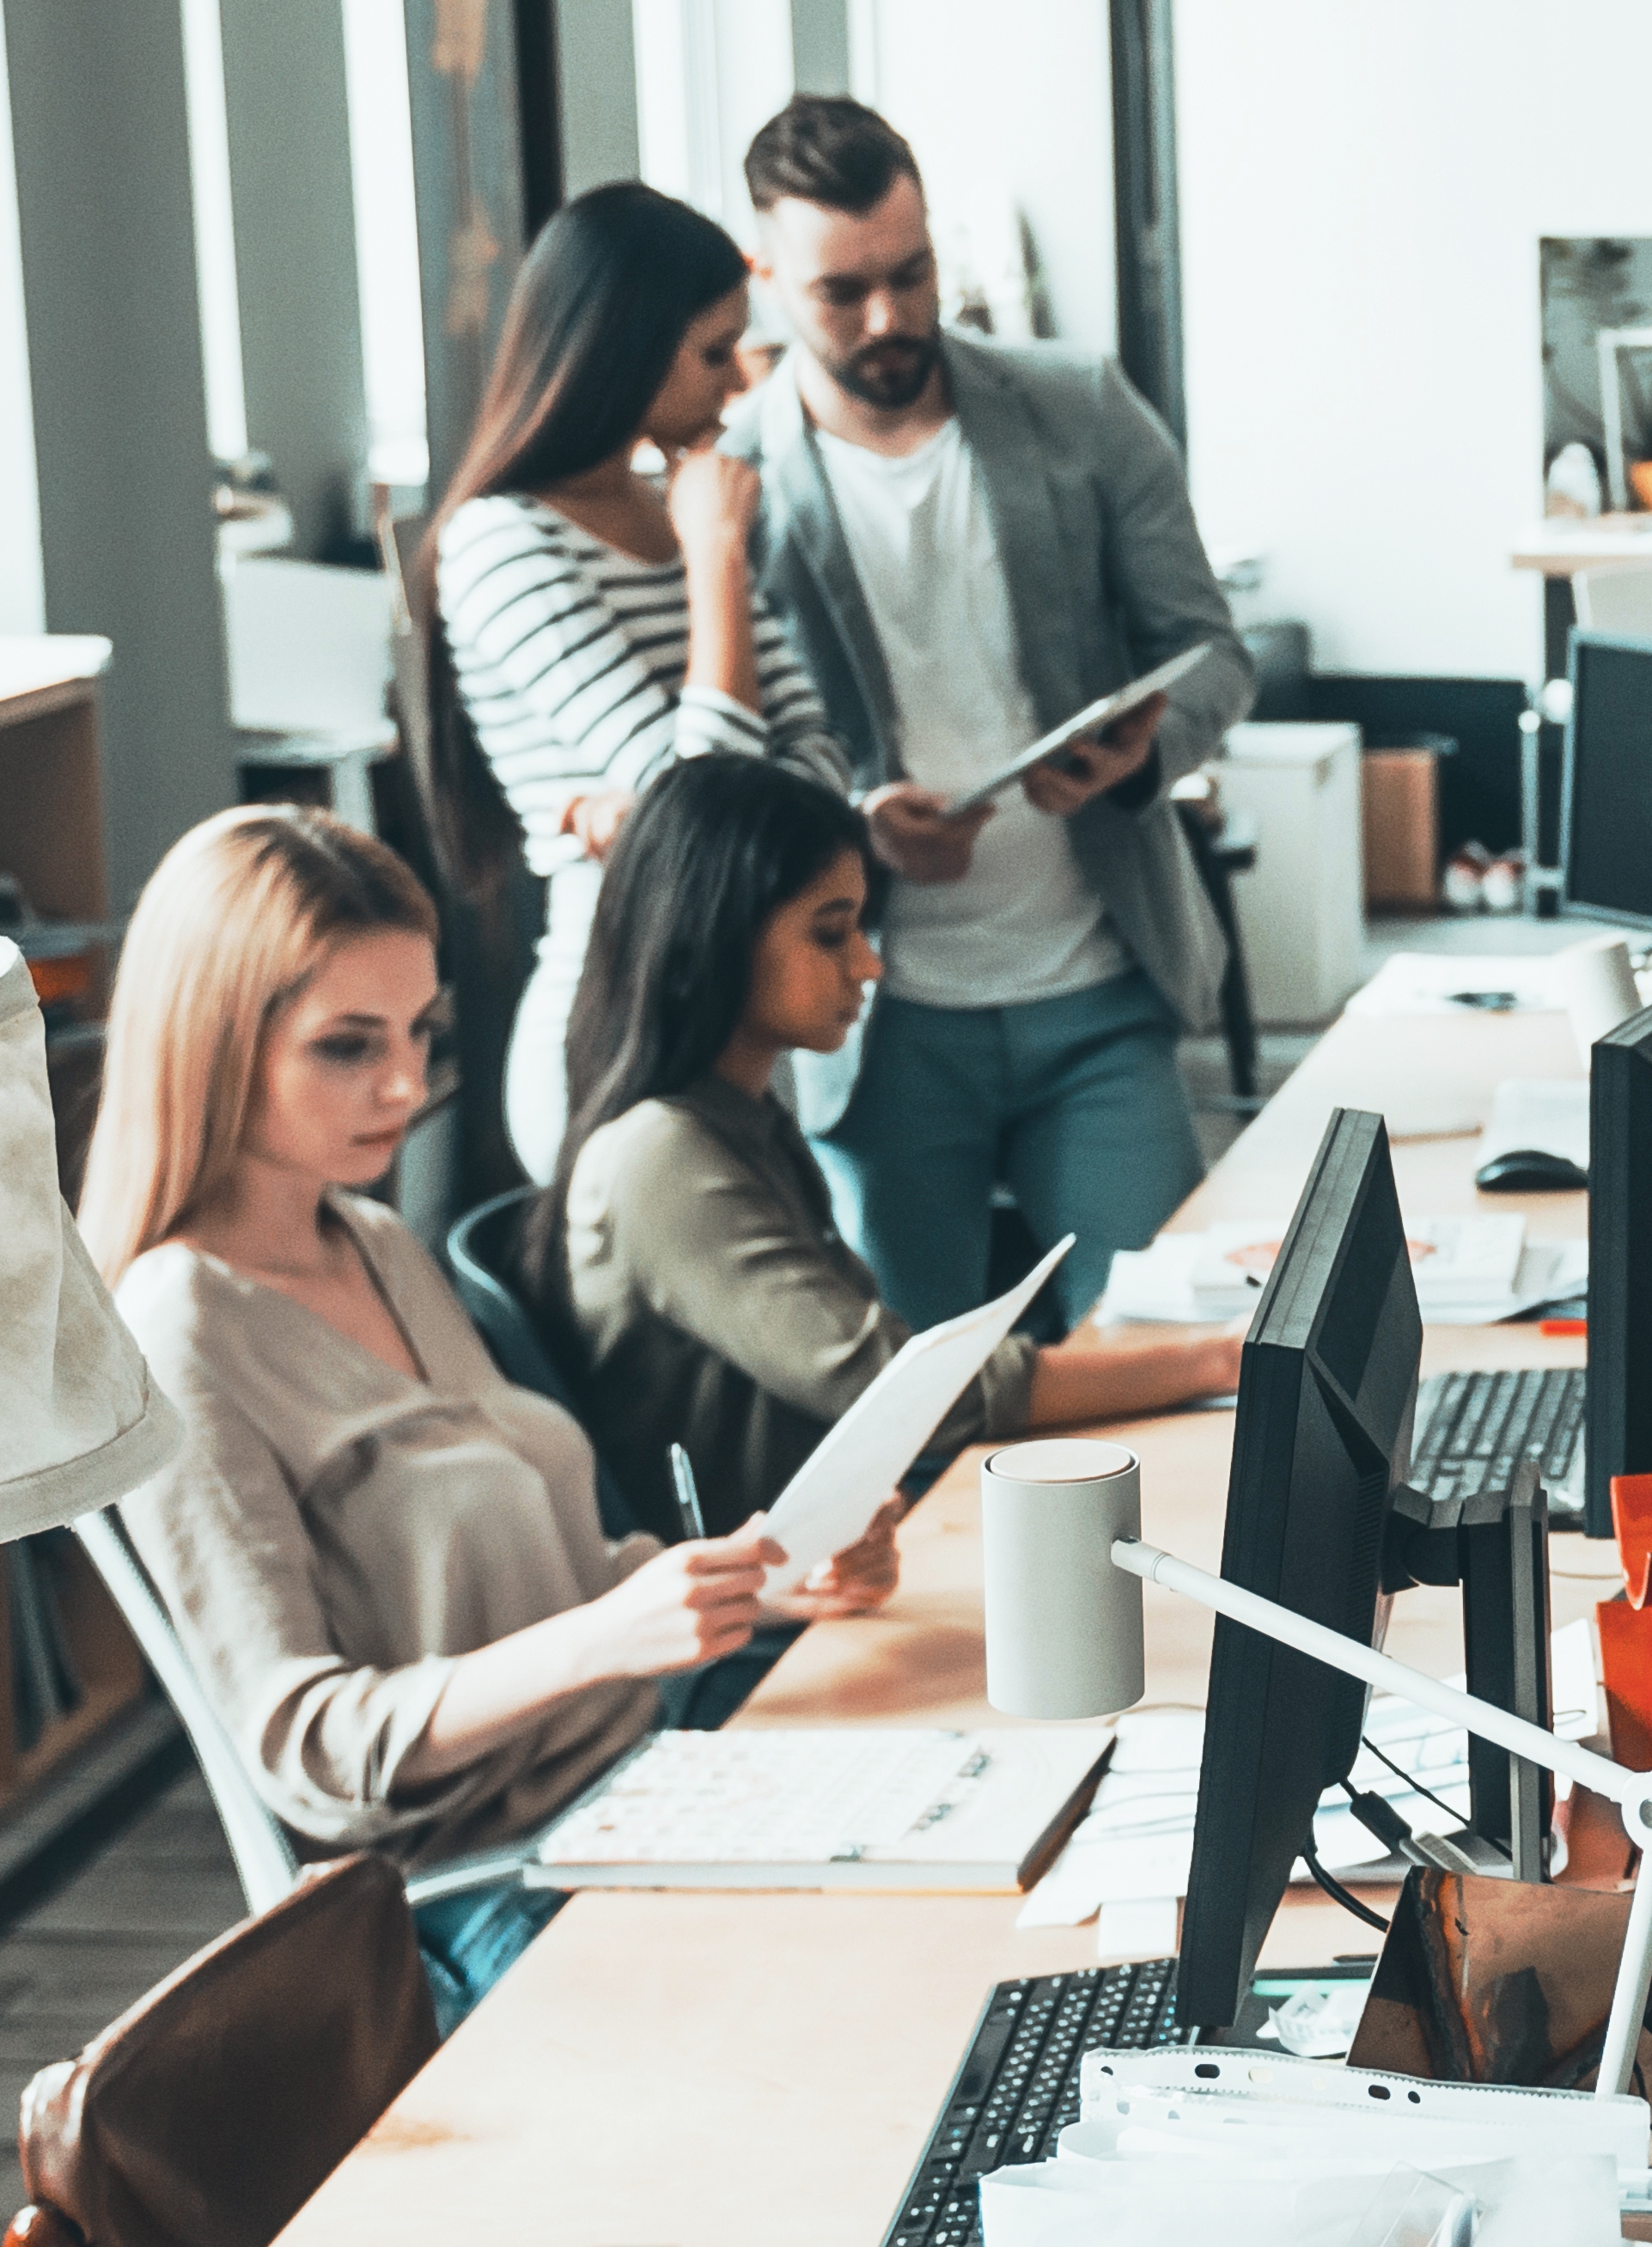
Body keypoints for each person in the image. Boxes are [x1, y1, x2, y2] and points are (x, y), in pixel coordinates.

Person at [80, 807, 896, 2023]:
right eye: (348, 1046)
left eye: (420, 1031)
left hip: (648, 1781)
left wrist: (766, 1575)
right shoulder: (179, 1332)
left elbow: (565, 1577)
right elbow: (310, 1754)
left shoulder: (370, 1240)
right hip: (491, 1890)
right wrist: (608, 1639)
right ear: (211, 1043)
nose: (408, 1086)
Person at [727, 93, 1254, 1329]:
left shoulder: (1079, 408)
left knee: (1162, 1349)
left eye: (911, 275)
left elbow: (1211, 655)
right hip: (875, 1023)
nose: (889, 318)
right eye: (843, 291)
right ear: (766, 276)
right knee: (916, 1394)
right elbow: (728, 775)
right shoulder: (731, 487)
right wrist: (854, 831)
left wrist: (1136, 760)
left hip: (1098, 989)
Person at [543, 755, 1248, 1523]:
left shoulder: (742, 1121)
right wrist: (1220, 1359)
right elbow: (900, 1395)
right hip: (786, 1575)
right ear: (712, 937)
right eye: (830, 933)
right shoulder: (661, 1157)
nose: (869, 963)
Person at [390, 180, 850, 1184]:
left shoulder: (672, 505)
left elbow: (817, 774)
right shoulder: (503, 542)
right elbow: (710, 809)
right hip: (612, 1029)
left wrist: (665, 810)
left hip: (735, 1029)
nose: (736, 388)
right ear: (626, 348)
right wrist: (715, 559)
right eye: (714, 353)